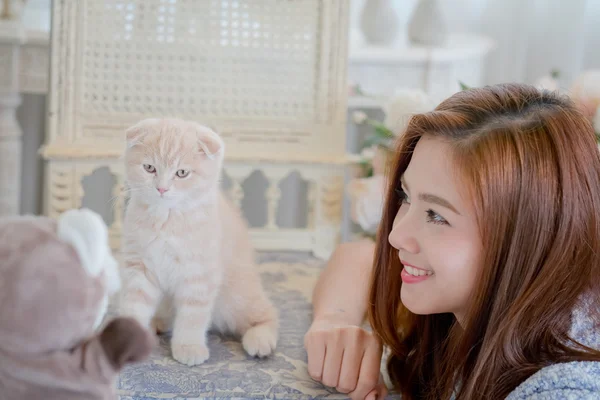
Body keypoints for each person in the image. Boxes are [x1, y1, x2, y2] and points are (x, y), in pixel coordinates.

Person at [304, 83, 600, 400]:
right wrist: (333, 323)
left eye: (436, 215)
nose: (396, 235)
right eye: (405, 196)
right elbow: (359, 255)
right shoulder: (533, 299)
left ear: (526, 236)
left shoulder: (565, 389)